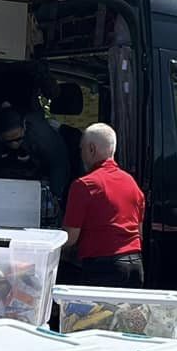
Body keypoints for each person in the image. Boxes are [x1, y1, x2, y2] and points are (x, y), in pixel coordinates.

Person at [61, 122, 146, 286]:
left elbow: (70, 238)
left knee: (98, 313)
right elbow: (139, 232)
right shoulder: (132, 183)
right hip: (135, 267)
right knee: (126, 312)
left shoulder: (84, 185)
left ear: (91, 149)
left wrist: (47, 246)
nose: (81, 154)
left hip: (104, 269)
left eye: (82, 149)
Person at [0, 99, 72, 222]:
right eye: (9, 141)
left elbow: (59, 164)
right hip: (2, 180)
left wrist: (56, 195)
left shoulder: (42, 135)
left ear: (24, 126)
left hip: (39, 175)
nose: (15, 144)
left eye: (18, 138)